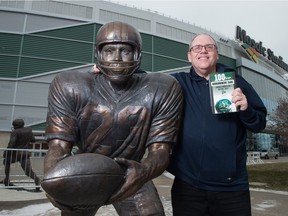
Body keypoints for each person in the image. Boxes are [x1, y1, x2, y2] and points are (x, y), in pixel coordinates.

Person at [43, 21, 183, 216]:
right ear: (98, 54)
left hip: (130, 172)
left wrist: (143, 172)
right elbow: (58, 146)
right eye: (109, 50)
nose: (117, 58)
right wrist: (52, 178)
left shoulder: (162, 88)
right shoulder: (69, 85)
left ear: (138, 54)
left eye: (125, 51)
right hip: (83, 173)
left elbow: (160, 151)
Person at [167, 33, 267, 216]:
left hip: (232, 190)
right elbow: (142, 81)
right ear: (189, 56)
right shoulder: (178, 83)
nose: (203, 50)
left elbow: (259, 124)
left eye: (209, 47)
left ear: (217, 54)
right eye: (197, 47)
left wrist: (246, 109)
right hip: (189, 188)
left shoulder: (237, 82)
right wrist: (106, 72)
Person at [2, 118, 41, 191]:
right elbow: (33, 140)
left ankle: (7, 179)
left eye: (14, 125)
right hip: (25, 153)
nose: (13, 127)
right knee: (28, 171)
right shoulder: (29, 130)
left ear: (16, 126)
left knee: (6, 161)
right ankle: (37, 180)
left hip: (16, 153)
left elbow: (11, 144)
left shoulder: (15, 132)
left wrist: (6, 152)